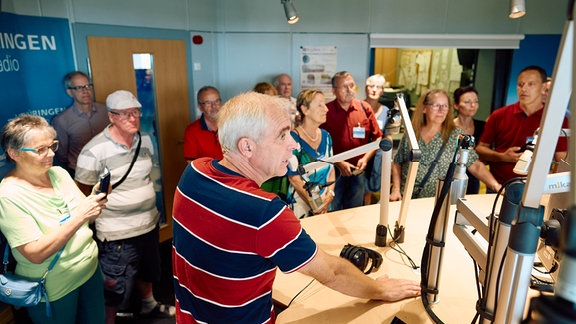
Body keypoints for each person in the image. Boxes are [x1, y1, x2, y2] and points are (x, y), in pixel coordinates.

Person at [171, 92, 421, 323]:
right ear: (247, 147)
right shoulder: (264, 212)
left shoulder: (194, 173)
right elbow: (332, 272)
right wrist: (379, 288)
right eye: (281, 135)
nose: (293, 144)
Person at [75, 90, 175, 323]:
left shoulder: (146, 139)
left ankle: (149, 305)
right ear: (111, 117)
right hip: (117, 233)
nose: (133, 118)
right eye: (125, 114)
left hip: (149, 224)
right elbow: (82, 193)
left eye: (136, 112)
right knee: (114, 287)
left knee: (149, 270)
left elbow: (149, 177)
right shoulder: (94, 150)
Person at [0, 114, 107, 323]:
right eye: (40, 150)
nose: (50, 154)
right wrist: (81, 214)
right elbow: (35, 254)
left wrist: (94, 204)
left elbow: (86, 222)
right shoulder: (8, 195)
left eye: (52, 146)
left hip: (90, 269)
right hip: (54, 286)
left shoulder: (59, 174)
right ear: (14, 154)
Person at [390, 89, 501, 201]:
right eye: (436, 105)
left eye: (445, 106)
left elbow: (475, 165)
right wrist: (396, 189)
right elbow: (397, 162)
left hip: (437, 202)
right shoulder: (411, 134)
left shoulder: (456, 136)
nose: (441, 110)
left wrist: (496, 186)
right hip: (406, 198)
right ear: (424, 108)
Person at [476, 65, 568, 185]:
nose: (524, 89)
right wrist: (502, 156)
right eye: (520, 84)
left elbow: (562, 160)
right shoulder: (499, 115)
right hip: (498, 187)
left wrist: (550, 185)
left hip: (536, 188)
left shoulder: (556, 120)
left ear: (544, 87)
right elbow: (480, 149)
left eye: (531, 84)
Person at [320, 71, 383, 210]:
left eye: (351, 85)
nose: (349, 90)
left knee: (354, 211)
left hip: (358, 170)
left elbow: (378, 138)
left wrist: (366, 159)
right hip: (334, 171)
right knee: (332, 209)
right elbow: (318, 144)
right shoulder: (325, 111)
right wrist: (339, 162)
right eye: (344, 86)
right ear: (334, 90)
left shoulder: (364, 108)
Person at [287, 88, 336, 218]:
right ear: (305, 109)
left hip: (325, 205)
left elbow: (331, 170)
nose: (326, 109)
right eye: (320, 105)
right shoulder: (292, 139)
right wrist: (315, 204)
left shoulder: (326, 136)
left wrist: (329, 195)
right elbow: (294, 178)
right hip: (301, 208)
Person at [51, 71, 110, 177]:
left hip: (109, 169)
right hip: (81, 174)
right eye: (79, 88)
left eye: (88, 86)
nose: (85, 91)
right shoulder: (61, 120)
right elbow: (62, 156)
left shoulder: (106, 112)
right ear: (69, 92)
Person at [363, 74, 393, 204]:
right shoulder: (359, 107)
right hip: (362, 153)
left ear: (382, 91)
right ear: (366, 88)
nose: (374, 89)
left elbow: (388, 135)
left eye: (378, 87)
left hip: (378, 155)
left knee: (374, 187)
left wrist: (389, 155)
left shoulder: (386, 111)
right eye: (371, 86)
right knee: (361, 189)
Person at [453, 86, 485, 194]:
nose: (473, 105)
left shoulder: (483, 126)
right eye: (467, 102)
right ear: (456, 105)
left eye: (476, 102)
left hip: (474, 177)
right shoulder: (450, 129)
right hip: (452, 176)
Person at [183, 86, 224, 163]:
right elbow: (191, 162)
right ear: (200, 107)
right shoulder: (191, 131)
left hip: (232, 174)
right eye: (208, 103)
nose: (214, 106)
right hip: (206, 174)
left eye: (217, 101)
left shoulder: (232, 125)